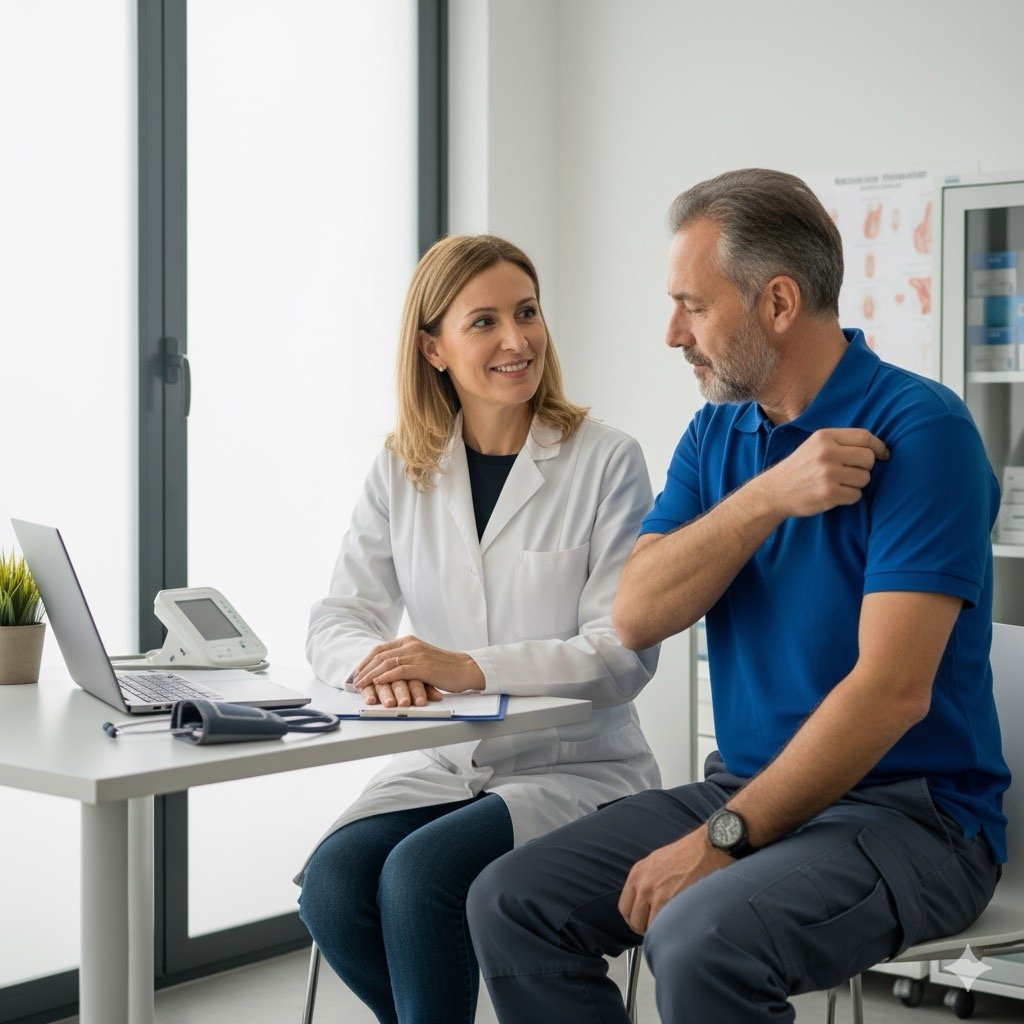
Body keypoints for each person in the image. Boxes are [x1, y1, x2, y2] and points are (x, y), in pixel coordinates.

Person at [466, 169, 1010, 1024]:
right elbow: (638, 613)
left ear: (780, 303)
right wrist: (768, 496)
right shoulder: (719, 428)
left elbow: (892, 691)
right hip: (748, 786)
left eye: (693, 304)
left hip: (915, 820)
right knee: (509, 900)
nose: (672, 332)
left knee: (699, 940)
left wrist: (724, 841)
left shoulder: (923, 432)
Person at [297, 233, 661, 1024]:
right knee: (330, 887)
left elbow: (621, 654)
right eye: (485, 322)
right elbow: (338, 617)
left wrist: (466, 666)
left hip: (578, 769)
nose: (516, 340)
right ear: (433, 348)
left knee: (421, 878)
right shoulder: (404, 464)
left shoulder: (607, 461)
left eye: (527, 314)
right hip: (445, 762)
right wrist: (378, 662)